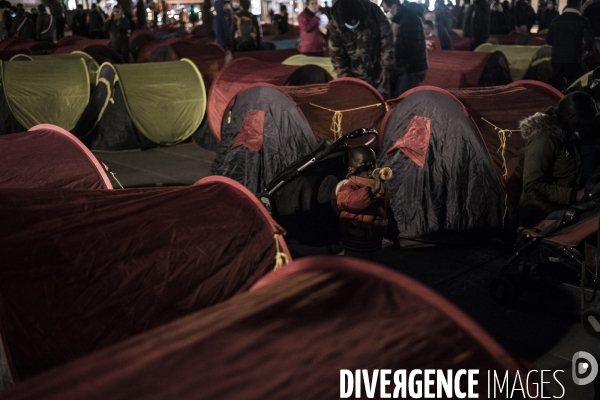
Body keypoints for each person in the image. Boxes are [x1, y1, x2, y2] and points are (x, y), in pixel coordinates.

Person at [518, 92, 598, 227]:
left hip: (563, 206)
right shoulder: (544, 137)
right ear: (575, 119)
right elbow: (532, 185)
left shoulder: (568, 135)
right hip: (540, 211)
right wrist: (573, 195)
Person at [336, 145, 398, 260]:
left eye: (373, 162)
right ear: (351, 169)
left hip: (375, 241)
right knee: (356, 271)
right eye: (364, 164)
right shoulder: (348, 186)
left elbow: (387, 211)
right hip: (355, 242)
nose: (370, 167)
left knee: (375, 269)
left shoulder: (380, 188)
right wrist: (372, 191)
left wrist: (393, 233)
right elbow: (349, 202)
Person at [328, 0, 394, 96]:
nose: (354, 28)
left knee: (383, 103)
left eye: (356, 24)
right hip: (354, 77)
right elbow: (337, 56)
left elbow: (387, 40)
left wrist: (386, 67)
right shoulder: (335, 24)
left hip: (379, 72)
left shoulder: (374, 13)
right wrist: (346, 79)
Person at [381, 0, 427, 97]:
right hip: (408, 68)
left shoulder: (409, 19)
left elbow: (411, 48)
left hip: (411, 69)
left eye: (386, 11)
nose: (386, 14)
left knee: (403, 101)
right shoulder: (404, 18)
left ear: (394, 7)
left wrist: (391, 53)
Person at [547, 0, 594, 90]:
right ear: (579, 5)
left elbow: (549, 40)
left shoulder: (556, 20)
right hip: (574, 60)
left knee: (557, 85)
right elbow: (590, 41)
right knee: (573, 85)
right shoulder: (582, 21)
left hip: (557, 59)